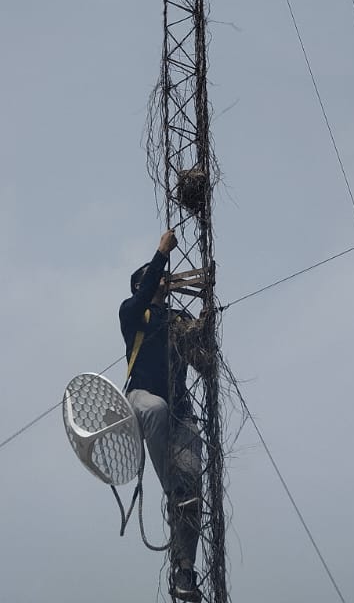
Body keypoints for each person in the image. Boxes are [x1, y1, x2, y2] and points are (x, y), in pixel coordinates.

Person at [120, 228, 204, 603]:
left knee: (192, 494)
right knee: (156, 408)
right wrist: (160, 254)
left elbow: (199, 347)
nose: (166, 284)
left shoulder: (175, 318)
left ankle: (185, 570)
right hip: (142, 398)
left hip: (180, 412)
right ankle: (173, 489)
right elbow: (144, 293)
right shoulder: (134, 311)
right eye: (157, 280)